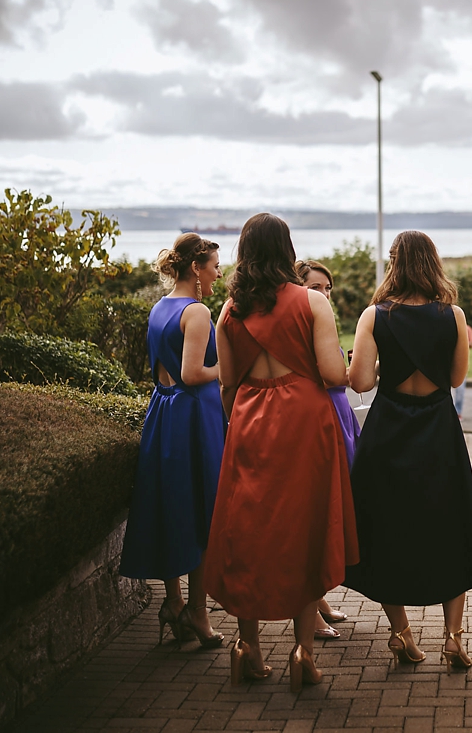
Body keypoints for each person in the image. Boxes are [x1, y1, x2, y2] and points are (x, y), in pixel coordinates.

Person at [203, 213, 359, 692]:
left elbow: (228, 383)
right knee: (305, 529)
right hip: (305, 424)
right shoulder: (311, 302)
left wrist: (244, 420)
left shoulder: (228, 312)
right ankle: (302, 653)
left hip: (250, 420)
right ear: (287, 250)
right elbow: (334, 374)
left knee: (249, 529)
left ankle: (245, 646)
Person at [345, 231, 472, 670]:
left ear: (393, 264)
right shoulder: (453, 315)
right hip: (437, 428)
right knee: (451, 524)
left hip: (389, 429)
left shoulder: (375, 315)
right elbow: (458, 378)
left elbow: (361, 382)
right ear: (433, 263)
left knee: (384, 527)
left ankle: (400, 631)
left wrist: (389, 362)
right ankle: (453, 637)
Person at [120, 233, 226, 650]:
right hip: (194, 417)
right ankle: (197, 615)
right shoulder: (197, 311)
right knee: (203, 510)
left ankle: (175, 604)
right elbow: (194, 373)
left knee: (173, 507)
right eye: (215, 266)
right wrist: (229, 368)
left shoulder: (160, 308)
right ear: (196, 269)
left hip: (164, 412)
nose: (219, 273)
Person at [295, 258, 358, 641]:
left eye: (328, 288)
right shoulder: (302, 322)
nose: (324, 294)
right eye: (316, 288)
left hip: (340, 412)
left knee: (333, 508)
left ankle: (320, 602)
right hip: (321, 413)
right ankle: (311, 611)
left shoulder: (321, 319)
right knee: (318, 513)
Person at [452, 323, 472, 419]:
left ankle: (458, 412)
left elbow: (471, 343)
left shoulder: (467, 329)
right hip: (447, 362)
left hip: (460, 362)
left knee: (460, 391)